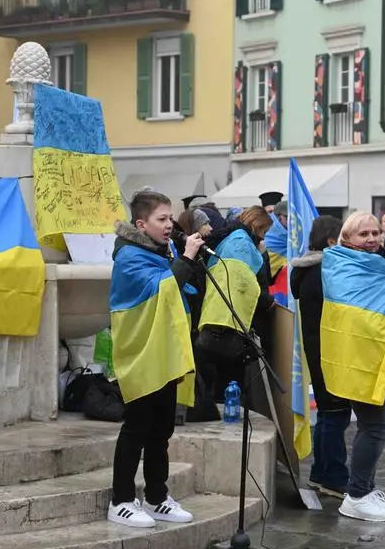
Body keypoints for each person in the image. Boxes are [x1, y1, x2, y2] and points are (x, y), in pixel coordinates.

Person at [107, 189, 200, 528]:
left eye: (171, 217)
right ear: (141, 223)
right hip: (142, 353)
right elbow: (163, 289)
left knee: (161, 429)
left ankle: (157, 497)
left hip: (162, 352)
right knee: (136, 428)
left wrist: (187, 260)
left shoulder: (159, 251)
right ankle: (120, 500)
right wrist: (186, 259)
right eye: (162, 219)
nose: (169, 224)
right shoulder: (130, 257)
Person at [321, 212, 385, 522]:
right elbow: (357, 321)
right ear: (347, 239)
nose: (371, 239)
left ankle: (365, 489)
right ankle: (356, 495)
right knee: (375, 427)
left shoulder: (379, 263)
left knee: (378, 428)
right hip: (369, 356)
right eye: (363, 234)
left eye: (374, 233)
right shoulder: (343, 267)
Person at [289, 215, 349, 499]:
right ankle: (335, 478)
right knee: (336, 414)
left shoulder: (309, 269)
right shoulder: (324, 272)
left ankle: (320, 473)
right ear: (331, 241)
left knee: (327, 414)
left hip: (320, 351)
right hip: (329, 352)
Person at [195, 206, 274, 402]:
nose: (264, 237)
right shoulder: (242, 244)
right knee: (229, 385)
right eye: (264, 231)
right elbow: (248, 286)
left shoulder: (230, 240)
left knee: (216, 385)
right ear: (257, 226)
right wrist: (269, 302)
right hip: (229, 324)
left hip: (213, 318)